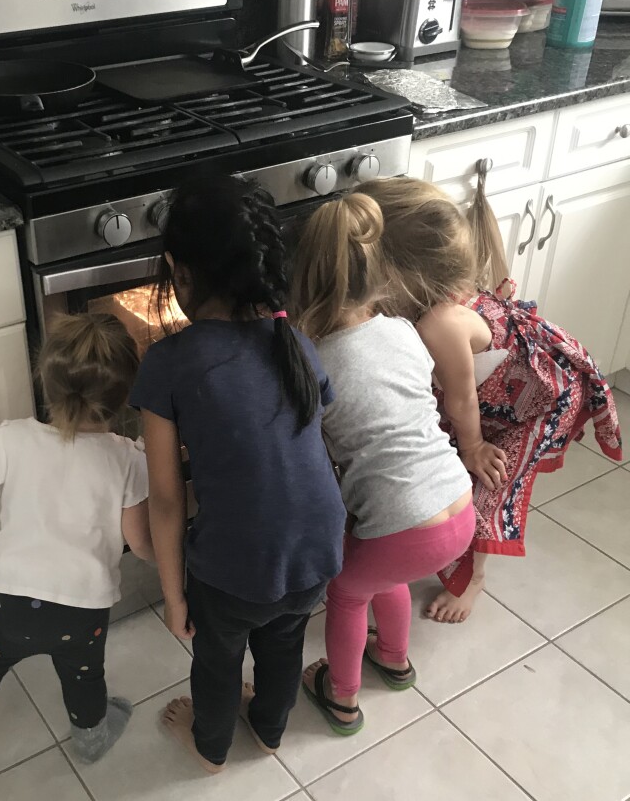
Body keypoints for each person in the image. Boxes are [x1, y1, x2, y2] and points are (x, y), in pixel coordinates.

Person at [130, 176, 346, 773]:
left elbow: (167, 501)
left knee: (219, 660)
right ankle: (271, 731)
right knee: (283, 643)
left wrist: (174, 598)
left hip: (232, 570)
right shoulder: (295, 339)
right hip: (318, 551)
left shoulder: (168, 362)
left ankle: (210, 748)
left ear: (181, 273)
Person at [358, 176, 623, 623]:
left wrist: (473, 447)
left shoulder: (439, 323)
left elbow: (460, 402)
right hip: (495, 394)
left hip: (536, 402)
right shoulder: (426, 295)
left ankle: (475, 580)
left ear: (397, 274)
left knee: (488, 488)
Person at [0, 313, 155, 771]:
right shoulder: (129, 460)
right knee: (84, 676)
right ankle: (91, 739)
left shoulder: (12, 440)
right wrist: (176, 563)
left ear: (46, 381)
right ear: (125, 397)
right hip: (82, 608)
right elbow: (140, 542)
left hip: (9, 602)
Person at [291, 193, 474, 735]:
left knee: (348, 591)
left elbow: (311, 443)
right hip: (458, 507)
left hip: (402, 525)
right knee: (386, 567)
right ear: (380, 276)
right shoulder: (403, 332)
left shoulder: (314, 359)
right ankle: (393, 658)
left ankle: (342, 697)